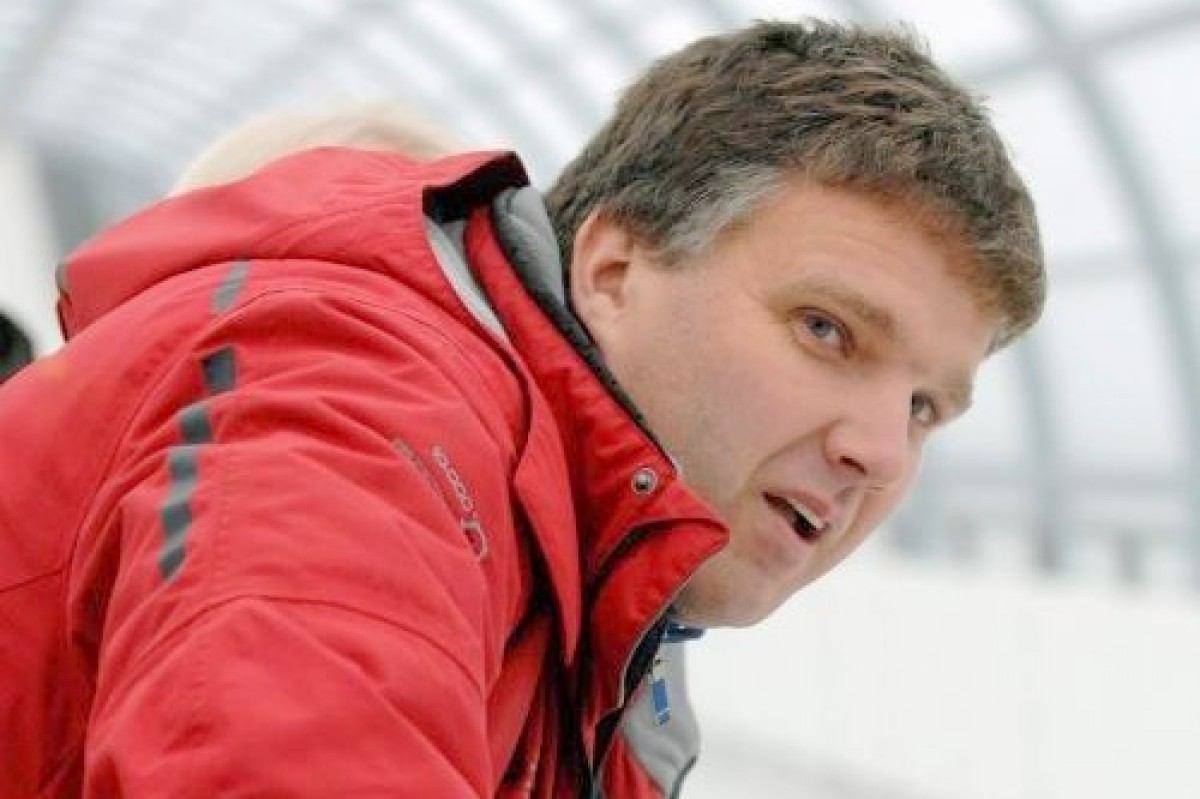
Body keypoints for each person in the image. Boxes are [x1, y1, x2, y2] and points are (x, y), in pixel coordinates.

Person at [0, 18, 1044, 798]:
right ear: (615, 271)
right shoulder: (363, 402)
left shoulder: (611, 624)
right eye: (826, 330)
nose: (879, 451)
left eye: (924, 406)